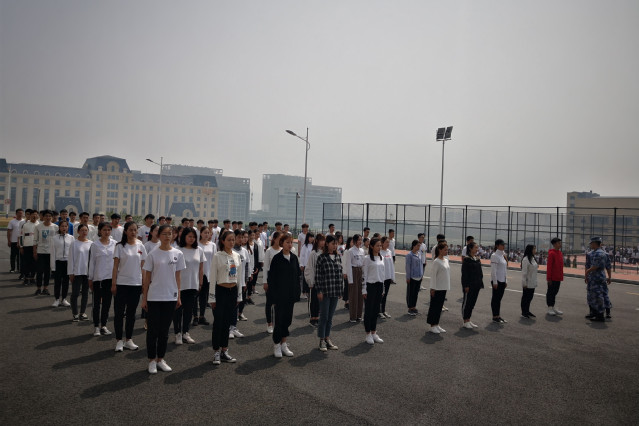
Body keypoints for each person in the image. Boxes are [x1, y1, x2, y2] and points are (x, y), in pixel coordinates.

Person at [142, 224, 186, 374]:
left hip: (170, 296)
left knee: (164, 331)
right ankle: (151, 360)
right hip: (154, 296)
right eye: (164, 234)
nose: (167, 236)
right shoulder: (152, 254)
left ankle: (160, 359)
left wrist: (178, 296)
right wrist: (144, 298)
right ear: (158, 235)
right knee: (152, 331)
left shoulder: (178, 254)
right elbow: (147, 278)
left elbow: (178, 277)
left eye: (170, 233)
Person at [112, 221, 147, 352]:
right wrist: (113, 283)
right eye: (131, 230)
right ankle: (119, 340)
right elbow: (115, 266)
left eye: (135, 230)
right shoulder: (120, 246)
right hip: (121, 284)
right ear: (125, 231)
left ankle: (128, 339)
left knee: (131, 314)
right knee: (119, 313)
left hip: (136, 284)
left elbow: (143, 266)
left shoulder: (141, 245)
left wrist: (144, 283)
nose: (133, 232)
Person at [209, 230, 241, 365]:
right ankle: (216, 351)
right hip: (220, 291)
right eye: (229, 240)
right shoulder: (217, 256)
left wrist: (239, 296)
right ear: (222, 241)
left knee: (227, 323)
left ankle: (224, 350)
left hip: (232, 291)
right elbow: (212, 278)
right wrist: (212, 298)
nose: (231, 242)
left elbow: (239, 277)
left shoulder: (237, 256)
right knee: (218, 323)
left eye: (233, 239)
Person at [268, 234, 300, 358]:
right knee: (279, 320)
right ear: (282, 243)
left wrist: (297, 293)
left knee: (287, 320)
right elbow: (272, 279)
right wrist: (272, 297)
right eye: (287, 242)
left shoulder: (294, 258)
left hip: (290, 296)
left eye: (291, 242)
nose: (290, 244)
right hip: (279, 296)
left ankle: (284, 343)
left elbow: (297, 277)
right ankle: (276, 344)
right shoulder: (277, 258)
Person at [174, 227, 204, 345]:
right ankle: (177, 333)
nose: (192, 239)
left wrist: (200, 282)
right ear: (184, 237)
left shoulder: (199, 250)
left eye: (194, 237)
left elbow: (201, 268)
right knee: (178, 311)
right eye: (189, 236)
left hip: (193, 285)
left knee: (188, 311)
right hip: (180, 285)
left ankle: (185, 332)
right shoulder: (177, 250)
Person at [315, 235, 342, 351]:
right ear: (327, 244)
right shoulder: (321, 258)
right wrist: (319, 291)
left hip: (335, 291)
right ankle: (321, 339)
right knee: (324, 317)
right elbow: (318, 276)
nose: (335, 246)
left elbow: (340, 274)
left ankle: (327, 338)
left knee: (330, 317)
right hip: (325, 291)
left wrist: (340, 290)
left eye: (336, 244)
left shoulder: (338, 257)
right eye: (333, 243)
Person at [88, 222, 116, 335]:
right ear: (100, 231)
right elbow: (92, 262)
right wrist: (90, 278)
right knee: (96, 304)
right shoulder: (95, 245)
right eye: (104, 230)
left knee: (107, 304)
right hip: (98, 278)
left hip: (110, 278)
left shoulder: (115, 244)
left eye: (109, 230)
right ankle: (96, 327)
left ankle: (104, 325)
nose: (107, 232)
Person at [362, 238, 385, 344]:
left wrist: (383, 288)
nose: (379, 247)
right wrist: (364, 290)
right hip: (370, 286)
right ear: (371, 246)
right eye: (377, 245)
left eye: (380, 245)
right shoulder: (367, 259)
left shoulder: (381, 257)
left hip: (379, 285)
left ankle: (374, 332)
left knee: (376, 310)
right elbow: (364, 275)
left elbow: (383, 274)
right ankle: (368, 334)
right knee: (369, 311)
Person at [68, 224, 92, 322]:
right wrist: (71, 273)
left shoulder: (91, 243)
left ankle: (82, 313)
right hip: (77, 272)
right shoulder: (74, 243)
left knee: (85, 294)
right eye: (82, 230)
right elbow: (71, 259)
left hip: (87, 272)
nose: (84, 232)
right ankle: (75, 313)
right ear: (78, 231)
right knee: (75, 293)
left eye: (86, 230)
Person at [584, 237, 612, 322]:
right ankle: (597, 313)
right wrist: (609, 277)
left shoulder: (596, 254)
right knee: (602, 294)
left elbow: (592, 266)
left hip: (594, 278)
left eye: (591, 243)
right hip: (601, 277)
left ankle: (599, 315)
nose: (590, 244)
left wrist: (587, 273)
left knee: (596, 296)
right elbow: (608, 267)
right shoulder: (604, 254)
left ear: (595, 243)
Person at [427, 242, 450, 334]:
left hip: (443, 287)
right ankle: (432, 325)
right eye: (445, 250)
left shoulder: (446, 260)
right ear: (440, 250)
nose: (446, 251)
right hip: (437, 288)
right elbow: (433, 276)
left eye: (447, 250)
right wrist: (432, 288)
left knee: (439, 307)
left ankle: (436, 324)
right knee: (434, 307)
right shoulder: (436, 261)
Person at [49, 220, 74, 307]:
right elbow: (53, 253)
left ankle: (64, 299)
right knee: (57, 282)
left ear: (68, 227)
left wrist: (73, 265)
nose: (64, 228)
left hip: (67, 262)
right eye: (62, 226)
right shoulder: (54, 238)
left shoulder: (71, 238)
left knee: (66, 282)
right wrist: (53, 267)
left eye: (66, 226)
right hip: (58, 262)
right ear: (59, 227)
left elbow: (73, 252)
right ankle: (56, 299)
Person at [34, 210, 58, 296]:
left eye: (49, 216)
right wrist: (34, 252)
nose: (48, 218)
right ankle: (38, 288)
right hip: (40, 251)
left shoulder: (55, 227)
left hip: (50, 252)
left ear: (52, 217)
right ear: (43, 217)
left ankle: (45, 288)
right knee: (39, 271)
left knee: (47, 271)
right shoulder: (38, 227)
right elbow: (35, 240)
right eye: (46, 216)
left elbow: (57, 241)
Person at [194, 226, 215, 326]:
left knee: (204, 296)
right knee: (195, 296)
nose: (207, 234)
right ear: (200, 233)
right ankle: (195, 316)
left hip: (208, 273)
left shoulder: (213, 245)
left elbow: (214, 260)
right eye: (205, 232)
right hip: (197, 273)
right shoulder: (196, 244)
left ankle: (202, 316)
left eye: (208, 233)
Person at [460, 241, 483, 328]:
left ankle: (469, 319)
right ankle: (465, 320)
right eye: (475, 248)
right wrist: (465, 285)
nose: (477, 249)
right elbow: (464, 274)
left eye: (477, 248)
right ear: (470, 248)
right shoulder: (466, 259)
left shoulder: (477, 259)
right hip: (469, 285)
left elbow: (480, 273)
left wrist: (480, 283)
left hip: (476, 285)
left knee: (472, 303)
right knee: (467, 303)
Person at [263, 231, 281, 334]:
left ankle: (277, 323)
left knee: (279, 303)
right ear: (274, 239)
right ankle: (269, 323)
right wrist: (265, 282)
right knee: (269, 303)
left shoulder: (283, 250)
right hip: (271, 279)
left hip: (280, 281)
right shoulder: (269, 251)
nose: (280, 241)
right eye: (279, 239)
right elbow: (265, 267)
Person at [304, 233, 324, 327]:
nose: (322, 242)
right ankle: (313, 318)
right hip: (315, 281)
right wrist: (310, 281)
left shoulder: (325, 253)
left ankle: (318, 318)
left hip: (323, 281)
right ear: (317, 241)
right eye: (321, 240)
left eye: (324, 240)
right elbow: (310, 268)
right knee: (314, 301)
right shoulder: (313, 253)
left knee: (321, 301)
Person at [344, 234, 365, 323]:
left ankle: (359, 316)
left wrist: (364, 276)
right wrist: (350, 279)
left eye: (361, 240)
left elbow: (363, 264)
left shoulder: (362, 251)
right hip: (353, 271)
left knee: (360, 295)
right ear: (355, 241)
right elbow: (348, 265)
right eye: (359, 240)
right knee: (353, 295)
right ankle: (353, 316)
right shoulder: (350, 251)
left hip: (360, 271)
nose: (360, 242)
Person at [490, 239, 508, 324]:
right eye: (502, 244)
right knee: (495, 299)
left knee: (499, 299)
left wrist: (506, 280)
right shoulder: (495, 255)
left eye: (504, 244)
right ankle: (495, 316)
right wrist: (495, 282)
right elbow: (493, 270)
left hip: (502, 280)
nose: (504, 246)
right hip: (497, 280)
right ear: (497, 246)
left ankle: (498, 315)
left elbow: (504, 269)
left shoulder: (503, 255)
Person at [546, 237, 564, 316]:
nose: (560, 244)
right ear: (554, 244)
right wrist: (549, 278)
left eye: (560, 243)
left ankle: (553, 307)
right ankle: (549, 308)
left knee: (555, 292)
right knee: (550, 293)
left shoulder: (560, 253)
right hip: (552, 278)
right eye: (559, 243)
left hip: (558, 277)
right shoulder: (551, 254)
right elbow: (549, 267)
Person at [19, 209, 38, 285]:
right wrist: (21, 246)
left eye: (36, 214)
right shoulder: (25, 225)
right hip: (27, 246)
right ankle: (26, 278)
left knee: (34, 263)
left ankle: (32, 277)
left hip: (36, 247)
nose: (34, 216)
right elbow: (21, 236)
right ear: (30, 215)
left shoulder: (39, 225)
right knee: (26, 263)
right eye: (33, 214)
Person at [520, 244, 538, 319]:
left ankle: (527, 310)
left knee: (530, 297)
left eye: (535, 249)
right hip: (527, 282)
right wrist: (524, 283)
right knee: (525, 298)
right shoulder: (525, 259)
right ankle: (524, 312)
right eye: (534, 249)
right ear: (530, 250)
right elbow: (524, 273)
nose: (535, 250)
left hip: (533, 281)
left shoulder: (533, 258)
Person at [405, 240, 423, 315]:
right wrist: (408, 277)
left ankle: (414, 307)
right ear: (414, 246)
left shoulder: (419, 254)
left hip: (419, 277)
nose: (419, 247)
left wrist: (422, 275)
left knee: (416, 293)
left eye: (419, 246)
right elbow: (408, 267)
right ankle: (410, 308)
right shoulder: (409, 255)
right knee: (410, 293)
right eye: (418, 246)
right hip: (412, 277)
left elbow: (421, 265)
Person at [379, 236, 394, 319]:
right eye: (386, 242)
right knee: (380, 295)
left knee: (385, 295)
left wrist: (392, 276)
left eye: (389, 242)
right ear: (382, 243)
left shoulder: (389, 252)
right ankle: (379, 311)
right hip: (381, 278)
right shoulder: (379, 252)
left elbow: (391, 265)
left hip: (388, 277)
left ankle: (383, 310)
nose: (388, 244)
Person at [7, 208, 25, 274]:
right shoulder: (12, 222)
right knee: (13, 256)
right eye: (19, 213)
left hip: (21, 242)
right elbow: (9, 231)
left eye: (21, 213)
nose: (20, 214)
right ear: (16, 214)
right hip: (13, 241)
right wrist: (9, 240)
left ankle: (19, 268)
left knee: (20, 256)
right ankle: (12, 268)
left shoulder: (24, 222)